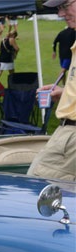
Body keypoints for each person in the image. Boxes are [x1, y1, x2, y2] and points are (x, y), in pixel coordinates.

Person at [28, 0, 76, 182]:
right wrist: (66, 94)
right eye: (58, 8)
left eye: (65, 6)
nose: (60, 14)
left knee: (37, 188)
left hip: (71, 137)